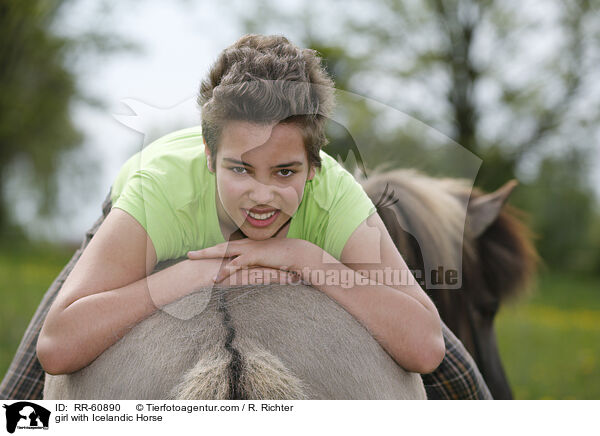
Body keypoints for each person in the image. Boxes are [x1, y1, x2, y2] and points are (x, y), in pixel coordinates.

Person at [0, 34, 492, 399]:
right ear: (210, 158)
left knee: (465, 379)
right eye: (240, 169)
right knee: (19, 396)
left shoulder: (336, 197)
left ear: (315, 167)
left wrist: (306, 257)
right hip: (143, 208)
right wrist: (192, 273)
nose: (262, 196)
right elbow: (58, 347)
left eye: (285, 171)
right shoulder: (159, 193)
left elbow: (425, 348)